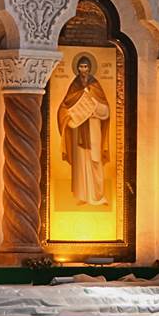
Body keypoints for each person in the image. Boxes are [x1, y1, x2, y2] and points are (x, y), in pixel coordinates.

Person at [57, 56, 110, 205]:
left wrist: (94, 109)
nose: (83, 70)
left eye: (86, 67)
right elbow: (64, 107)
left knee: (95, 160)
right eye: (81, 67)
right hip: (79, 131)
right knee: (81, 162)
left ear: (90, 68)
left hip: (93, 129)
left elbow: (106, 110)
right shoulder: (74, 86)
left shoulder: (95, 85)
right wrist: (70, 117)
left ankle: (99, 196)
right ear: (77, 68)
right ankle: (83, 196)